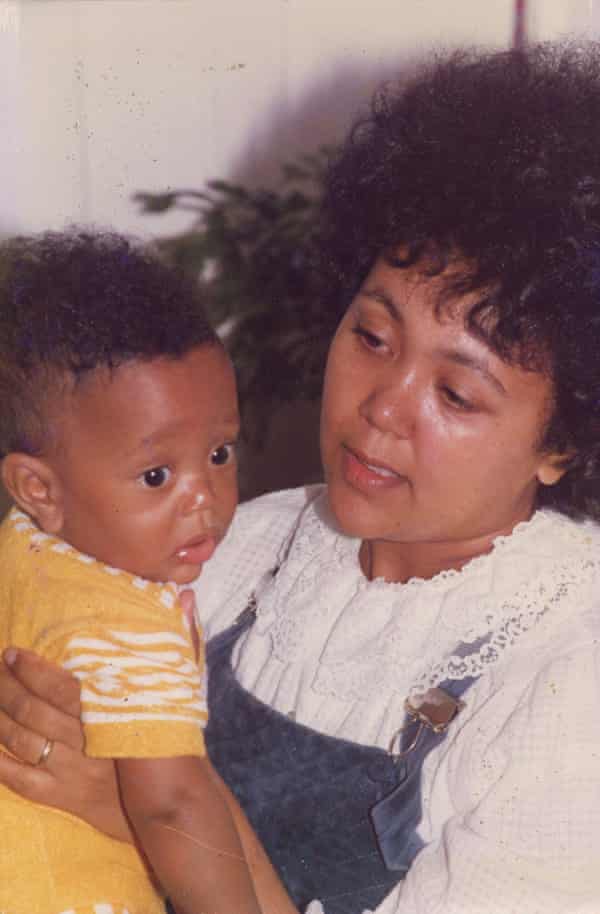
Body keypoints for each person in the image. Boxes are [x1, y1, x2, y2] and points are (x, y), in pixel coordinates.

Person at [2, 40, 600, 914]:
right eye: (370, 337)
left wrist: (121, 804)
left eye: (456, 391)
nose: (381, 407)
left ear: (567, 441)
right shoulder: (239, 544)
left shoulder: (568, 692)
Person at [0, 231, 275, 914]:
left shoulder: (23, 546)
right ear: (39, 489)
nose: (204, 499)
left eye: (219, 452)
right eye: (156, 475)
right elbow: (174, 806)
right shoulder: (130, 616)